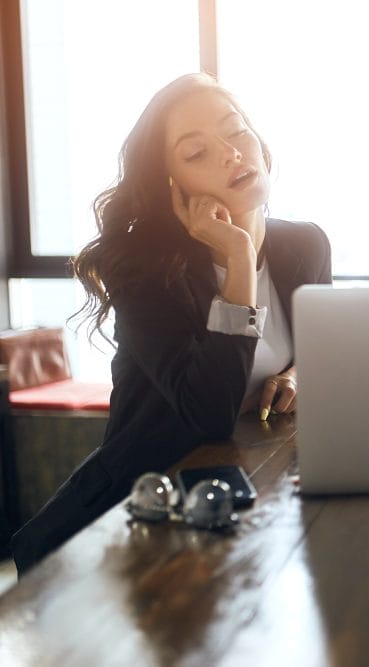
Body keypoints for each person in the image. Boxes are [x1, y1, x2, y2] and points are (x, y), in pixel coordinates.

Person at [10, 73, 331, 573]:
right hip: (139, 510)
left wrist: (298, 376)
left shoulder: (306, 244)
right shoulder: (143, 270)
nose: (230, 153)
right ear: (172, 187)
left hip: (246, 492)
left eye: (236, 131)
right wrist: (239, 261)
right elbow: (207, 413)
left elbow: (322, 347)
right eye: (196, 153)